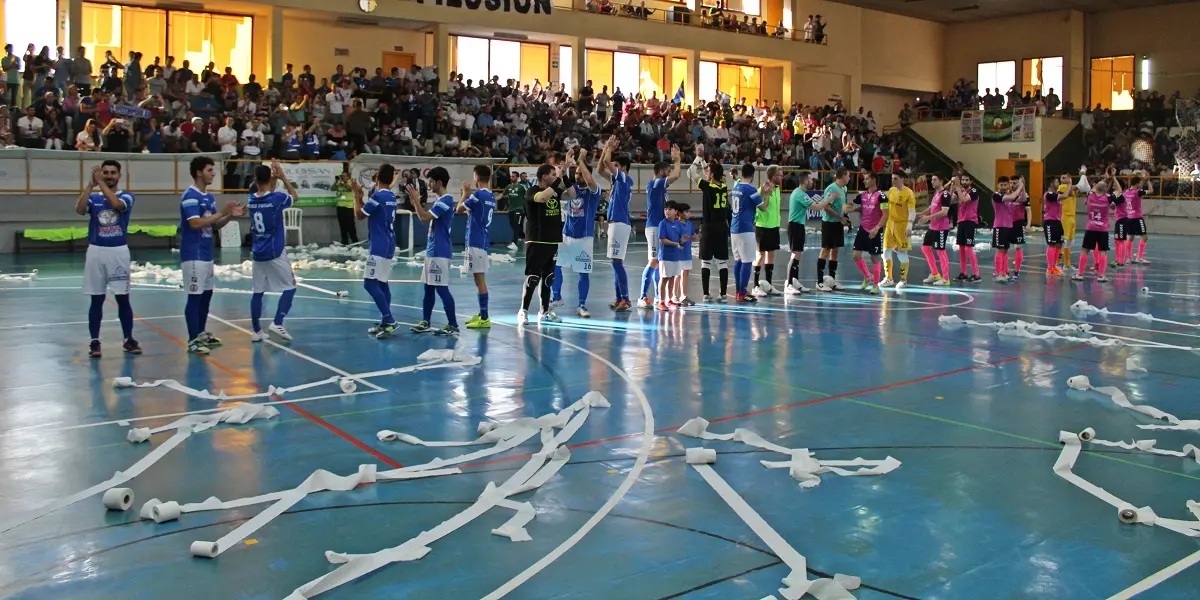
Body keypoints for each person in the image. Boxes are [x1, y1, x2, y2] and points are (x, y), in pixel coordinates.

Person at [76, 161, 139, 358]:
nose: (109, 176)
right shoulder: (94, 198)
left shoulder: (127, 196)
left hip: (118, 252)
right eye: (105, 173)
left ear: (119, 176)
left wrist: (101, 183)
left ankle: (128, 339)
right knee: (96, 299)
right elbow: (79, 209)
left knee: (123, 298)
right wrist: (90, 185)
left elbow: (117, 205)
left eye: (112, 173)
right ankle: (95, 341)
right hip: (96, 251)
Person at [179, 156, 242, 354]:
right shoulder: (190, 196)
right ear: (198, 172)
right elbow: (195, 223)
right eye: (209, 170)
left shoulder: (208, 197)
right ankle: (192, 341)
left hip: (206, 254)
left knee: (206, 295)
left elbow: (214, 224)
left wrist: (230, 215)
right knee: (195, 296)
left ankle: (201, 333)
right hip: (193, 254)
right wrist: (221, 211)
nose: (213, 173)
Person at [247, 163, 299, 342]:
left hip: (258, 253)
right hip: (275, 252)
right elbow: (294, 196)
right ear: (269, 179)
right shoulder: (277, 198)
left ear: (255, 178)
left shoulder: (251, 200)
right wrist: (283, 177)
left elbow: (266, 190)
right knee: (290, 287)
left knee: (258, 292)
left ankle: (256, 331)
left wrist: (273, 177)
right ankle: (277, 322)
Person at [407, 166, 460, 336]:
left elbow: (423, 217)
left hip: (440, 251)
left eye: (431, 181)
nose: (429, 184)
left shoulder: (446, 200)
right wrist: (415, 202)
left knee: (441, 288)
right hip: (432, 250)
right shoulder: (440, 201)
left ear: (438, 182)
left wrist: (416, 200)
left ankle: (453, 325)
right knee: (428, 288)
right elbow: (424, 218)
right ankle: (426, 321)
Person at [551, 149, 602, 317]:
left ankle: (582, 304)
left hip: (584, 237)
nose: (577, 176)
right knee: (556, 265)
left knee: (583, 272)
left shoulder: (594, 191)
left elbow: (590, 181)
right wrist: (564, 168)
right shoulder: (573, 189)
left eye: (580, 174)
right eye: (576, 174)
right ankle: (556, 296)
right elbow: (561, 194)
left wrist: (581, 161)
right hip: (566, 235)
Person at [353, 164, 399, 338]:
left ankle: (390, 319)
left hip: (379, 245)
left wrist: (355, 194)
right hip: (389, 244)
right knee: (382, 282)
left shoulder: (378, 196)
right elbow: (370, 210)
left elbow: (359, 214)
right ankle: (384, 322)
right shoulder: (391, 196)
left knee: (369, 283)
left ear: (378, 176)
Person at [637, 145, 682, 308]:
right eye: (668, 172)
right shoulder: (655, 184)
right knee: (654, 261)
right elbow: (677, 175)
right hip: (654, 227)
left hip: (659, 226)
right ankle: (642, 297)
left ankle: (658, 297)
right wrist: (677, 160)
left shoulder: (660, 187)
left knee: (658, 262)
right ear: (662, 173)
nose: (669, 176)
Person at [521, 164, 565, 324]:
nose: (555, 176)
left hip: (552, 240)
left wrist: (564, 174)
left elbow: (572, 194)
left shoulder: (555, 191)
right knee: (533, 278)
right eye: (553, 174)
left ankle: (544, 312)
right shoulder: (532, 191)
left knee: (549, 279)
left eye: (555, 174)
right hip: (536, 239)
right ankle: (523, 311)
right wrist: (558, 179)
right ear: (544, 176)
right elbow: (542, 198)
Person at [689, 150, 731, 302]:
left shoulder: (707, 187)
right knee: (722, 262)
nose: (707, 173)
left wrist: (698, 157)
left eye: (708, 172)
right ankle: (724, 295)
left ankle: (706, 294)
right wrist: (705, 163)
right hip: (722, 227)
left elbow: (691, 173)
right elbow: (710, 173)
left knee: (705, 261)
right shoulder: (724, 186)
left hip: (708, 227)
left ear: (711, 175)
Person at [460, 165, 496, 329]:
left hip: (476, 241)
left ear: (476, 178)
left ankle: (485, 317)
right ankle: (482, 314)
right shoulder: (490, 195)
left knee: (479, 279)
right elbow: (473, 213)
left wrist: (464, 194)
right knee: (477, 278)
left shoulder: (478, 194)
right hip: (481, 239)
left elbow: (459, 209)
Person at [599, 138, 633, 311]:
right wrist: (606, 149)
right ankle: (619, 297)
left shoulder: (625, 178)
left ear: (624, 167)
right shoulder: (616, 181)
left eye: (617, 165)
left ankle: (626, 299)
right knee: (615, 262)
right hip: (614, 223)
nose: (613, 167)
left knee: (617, 262)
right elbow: (600, 168)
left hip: (620, 223)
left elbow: (606, 162)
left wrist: (608, 148)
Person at [731, 163, 771, 302]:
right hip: (745, 229)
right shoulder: (750, 189)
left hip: (734, 229)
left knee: (738, 260)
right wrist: (767, 194)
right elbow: (763, 208)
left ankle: (738, 290)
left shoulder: (737, 187)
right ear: (753, 176)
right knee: (747, 261)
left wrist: (760, 193)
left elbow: (749, 200)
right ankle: (742, 292)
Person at [1074, 175, 1123, 283]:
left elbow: (1093, 189)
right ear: (1106, 190)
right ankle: (1101, 275)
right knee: (1103, 252)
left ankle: (1080, 274)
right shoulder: (1108, 198)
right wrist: (1113, 177)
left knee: (1085, 250)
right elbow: (1119, 190)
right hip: (1102, 229)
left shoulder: (1090, 196)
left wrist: (1103, 180)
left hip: (1090, 227)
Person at [845, 172, 884, 294]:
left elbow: (886, 214)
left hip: (875, 230)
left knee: (875, 257)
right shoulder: (863, 196)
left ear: (873, 180)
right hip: (863, 229)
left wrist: (877, 228)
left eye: (866, 179)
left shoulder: (881, 196)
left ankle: (876, 285)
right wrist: (850, 207)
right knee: (856, 255)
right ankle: (868, 276)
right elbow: (859, 205)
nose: (864, 181)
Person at [816, 168, 852, 291]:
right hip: (829, 223)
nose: (850, 178)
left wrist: (845, 216)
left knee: (835, 250)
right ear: (842, 176)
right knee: (825, 250)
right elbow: (826, 207)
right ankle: (820, 281)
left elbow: (842, 205)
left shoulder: (844, 189)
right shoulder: (831, 188)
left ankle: (832, 280)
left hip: (838, 223)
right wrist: (840, 217)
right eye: (848, 175)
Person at [916, 174, 953, 286]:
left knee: (940, 250)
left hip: (941, 227)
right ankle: (934, 273)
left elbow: (944, 212)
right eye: (931, 180)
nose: (932, 182)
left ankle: (946, 278)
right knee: (925, 247)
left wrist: (927, 218)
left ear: (941, 181)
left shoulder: (945, 195)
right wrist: (922, 213)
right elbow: (932, 207)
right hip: (933, 227)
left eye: (934, 180)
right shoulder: (936, 193)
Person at [881, 171, 916, 288]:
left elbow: (912, 211)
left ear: (902, 179)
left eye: (895, 178)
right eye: (892, 178)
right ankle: (888, 278)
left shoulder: (909, 194)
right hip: (890, 224)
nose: (893, 181)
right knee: (886, 251)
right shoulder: (891, 190)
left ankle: (903, 280)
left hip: (902, 225)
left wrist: (909, 226)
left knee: (902, 252)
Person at [752, 165, 783, 296]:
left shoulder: (777, 189)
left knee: (771, 255)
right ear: (773, 176)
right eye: (780, 175)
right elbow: (756, 203)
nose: (782, 177)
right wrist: (765, 194)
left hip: (774, 226)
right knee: (760, 256)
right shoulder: (763, 189)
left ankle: (768, 285)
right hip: (763, 227)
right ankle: (755, 286)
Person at [785, 172, 815, 295]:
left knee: (798, 254)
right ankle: (789, 284)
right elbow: (816, 207)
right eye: (811, 180)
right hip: (795, 226)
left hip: (799, 225)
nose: (813, 182)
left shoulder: (800, 193)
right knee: (795, 254)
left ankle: (795, 280)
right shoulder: (799, 194)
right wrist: (829, 199)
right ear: (805, 181)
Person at [951, 174, 981, 282]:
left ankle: (976, 274)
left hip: (970, 221)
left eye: (966, 180)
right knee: (962, 248)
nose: (964, 181)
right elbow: (950, 200)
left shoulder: (973, 191)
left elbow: (963, 200)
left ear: (970, 181)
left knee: (969, 247)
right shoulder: (959, 191)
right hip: (961, 221)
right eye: (963, 179)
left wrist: (958, 187)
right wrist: (952, 186)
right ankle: (963, 273)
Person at [656, 201, 684, 310]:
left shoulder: (677, 224)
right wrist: (675, 244)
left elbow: (680, 238)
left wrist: (685, 240)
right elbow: (662, 240)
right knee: (664, 279)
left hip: (675, 256)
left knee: (672, 278)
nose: (667, 211)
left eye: (670, 209)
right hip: (665, 256)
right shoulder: (662, 223)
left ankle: (670, 300)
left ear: (676, 212)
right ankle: (661, 302)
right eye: (665, 209)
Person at [990, 176, 1018, 282]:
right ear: (998, 185)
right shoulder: (996, 195)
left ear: (1008, 185)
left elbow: (1023, 198)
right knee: (1000, 249)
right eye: (1001, 185)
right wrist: (1020, 187)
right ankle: (997, 273)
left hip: (1008, 226)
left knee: (1006, 250)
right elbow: (1012, 197)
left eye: (1005, 184)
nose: (1003, 187)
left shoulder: (1008, 194)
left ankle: (1004, 272)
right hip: (999, 226)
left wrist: (1022, 187)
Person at [1125, 172, 1152, 264]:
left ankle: (1129, 258)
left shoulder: (1127, 192)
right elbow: (1151, 191)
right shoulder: (1138, 192)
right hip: (1137, 217)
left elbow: (1138, 186)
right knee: (1144, 237)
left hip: (1128, 217)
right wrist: (1148, 181)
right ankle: (1139, 257)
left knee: (1130, 237)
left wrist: (1143, 179)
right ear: (1137, 184)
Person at [1007, 176, 1030, 278]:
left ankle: (1017, 271)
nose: (1012, 185)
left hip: (1017, 223)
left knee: (1017, 247)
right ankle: (1004, 270)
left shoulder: (1023, 194)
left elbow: (1025, 202)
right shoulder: (1007, 193)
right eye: (1011, 183)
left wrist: (1028, 224)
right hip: (1006, 223)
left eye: (1015, 183)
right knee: (1004, 247)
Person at [1042, 181, 1065, 277]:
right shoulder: (1049, 195)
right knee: (1051, 244)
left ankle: (1055, 265)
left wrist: (1071, 186)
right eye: (1056, 181)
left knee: (1059, 243)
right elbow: (1066, 195)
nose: (1058, 182)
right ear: (1051, 184)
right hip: (1049, 222)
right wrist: (1070, 183)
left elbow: (1070, 193)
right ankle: (1050, 267)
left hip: (1058, 222)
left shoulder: (1058, 194)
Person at [676, 203, 696, 305]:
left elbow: (692, 235)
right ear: (679, 213)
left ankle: (683, 295)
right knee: (677, 275)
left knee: (685, 275)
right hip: (679, 253)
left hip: (687, 253)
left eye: (689, 211)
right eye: (686, 212)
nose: (689, 214)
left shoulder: (689, 224)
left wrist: (696, 237)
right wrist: (680, 240)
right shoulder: (676, 224)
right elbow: (675, 239)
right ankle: (674, 296)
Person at [333, 165, 358, 245]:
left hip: (349, 207)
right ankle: (344, 241)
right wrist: (336, 182)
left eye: (344, 176)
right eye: (341, 176)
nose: (342, 177)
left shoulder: (351, 182)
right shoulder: (339, 183)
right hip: (340, 207)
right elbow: (332, 189)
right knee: (342, 225)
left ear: (348, 177)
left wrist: (343, 183)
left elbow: (350, 188)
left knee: (350, 225)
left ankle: (354, 240)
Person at [502, 171, 527, 247]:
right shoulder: (508, 187)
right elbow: (501, 195)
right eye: (511, 176)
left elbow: (527, 195)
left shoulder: (521, 187)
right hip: (511, 209)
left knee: (516, 225)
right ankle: (524, 237)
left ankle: (514, 243)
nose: (511, 177)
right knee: (513, 225)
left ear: (517, 177)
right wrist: (493, 198)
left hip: (519, 209)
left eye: (513, 176)